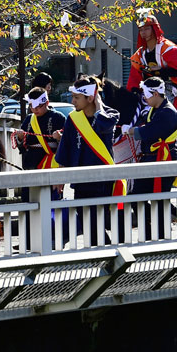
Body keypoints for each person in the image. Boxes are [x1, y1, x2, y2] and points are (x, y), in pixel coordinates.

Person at [55, 76, 122, 246]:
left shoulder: (110, 114)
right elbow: (65, 147)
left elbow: (103, 125)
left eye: (77, 97)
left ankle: (110, 255)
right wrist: (60, 177)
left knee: (98, 221)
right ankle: (107, 254)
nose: (73, 101)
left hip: (103, 179)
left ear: (90, 98)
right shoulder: (72, 118)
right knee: (88, 223)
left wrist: (98, 105)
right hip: (80, 179)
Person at [121, 78, 177, 239]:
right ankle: (148, 232)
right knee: (137, 197)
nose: (144, 98)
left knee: (159, 200)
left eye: (147, 95)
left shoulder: (168, 112)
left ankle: (161, 237)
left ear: (155, 93)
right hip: (151, 159)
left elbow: (150, 131)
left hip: (163, 159)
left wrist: (132, 130)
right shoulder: (154, 110)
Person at [16, 87, 68, 245]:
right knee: (28, 204)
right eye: (32, 107)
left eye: (39, 106)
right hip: (31, 165)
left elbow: (67, 144)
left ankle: (53, 238)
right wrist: (20, 138)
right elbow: (22, 146)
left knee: (50, 204)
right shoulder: (29, 119)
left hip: (50, 165)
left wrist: (60, 138)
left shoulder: (58, 117)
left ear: (47, 103)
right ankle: (28, 239)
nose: (35, 110)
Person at [126, 8, 177, 114]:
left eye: (147, 29)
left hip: (168, 89)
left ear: (154, 29)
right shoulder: (140, 54)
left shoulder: (167, 48)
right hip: (147, 92)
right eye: (141, 30)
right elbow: (134, 79)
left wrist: (162, 70)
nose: (143, 32)